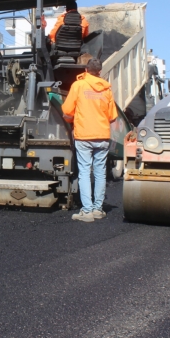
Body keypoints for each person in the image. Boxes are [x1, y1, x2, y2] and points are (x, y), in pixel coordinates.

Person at [62, 58, 118, 222]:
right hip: (102, 136)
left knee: (85, 172)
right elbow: (112, 116)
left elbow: (67, 110)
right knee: (100, 173)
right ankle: (97, 210)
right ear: (99, 72)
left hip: (84, 136)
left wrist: (71, 119)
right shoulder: (106, 89)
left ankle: (87, 211)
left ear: (86, 70)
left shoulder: (78, 85)